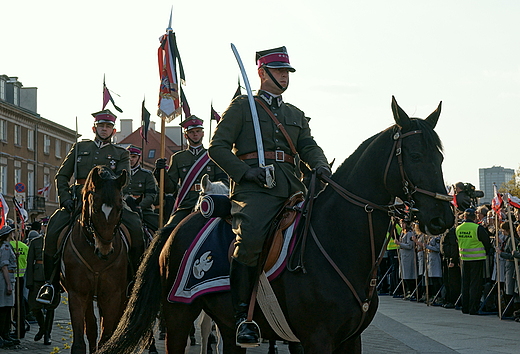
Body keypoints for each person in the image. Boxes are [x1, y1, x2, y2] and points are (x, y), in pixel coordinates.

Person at [208, 46, 330, 346]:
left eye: (286, 72)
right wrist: (246, 173)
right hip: (255, 190)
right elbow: (218, 147)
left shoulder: (294, 114)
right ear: (262, 73)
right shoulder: (242, 107)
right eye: (278, 71)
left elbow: (308, 147)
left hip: (292, 186)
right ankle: (242, 319)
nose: (284, 77)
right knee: (249, 236)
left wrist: (321, 165)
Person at [38, 109, 144, 304]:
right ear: (94, 128)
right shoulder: (79, 148)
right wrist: (65, 198)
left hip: (109, 201)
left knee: (136, 227)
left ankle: (134, 281)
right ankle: (50, 284)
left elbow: (125, 180)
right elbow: (61, 176)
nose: (104, 129)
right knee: (53, 229)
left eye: (108, 127)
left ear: (113, 130)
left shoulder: (121, 153)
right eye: (101, 126)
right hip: (79, 201)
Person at [155, 116, 228, 230]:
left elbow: (224, 182)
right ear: (186, 135)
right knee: (168, 230)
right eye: (192, 132)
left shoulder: (213, 155)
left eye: (198, 131)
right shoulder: (178, 158)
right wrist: (160, 172)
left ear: (203, 133)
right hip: (187, 202)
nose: (195, 134)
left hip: (212, 200)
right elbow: (170, 188)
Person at [26, 222, 59, 345]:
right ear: (42, 228)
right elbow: (30, 263)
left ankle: (47, 334)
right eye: (44, 226)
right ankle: (42, 327)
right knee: (34, 306)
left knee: (51, 307)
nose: (46, 229)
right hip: (37, 277)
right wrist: (29, 281)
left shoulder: (56, 241)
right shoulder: (35, 242)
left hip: (51, 277)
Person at [456, 208, 492, 315]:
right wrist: (487, 251)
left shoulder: (458, 228)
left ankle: (465, 307)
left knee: (465, 284)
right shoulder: (477, 228)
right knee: (475, 284)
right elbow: (487, 242)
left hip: (464, 258)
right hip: (477, 258)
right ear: (474, 217)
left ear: (465, 217)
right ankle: (473, 308)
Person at [123, 146, 159, 231]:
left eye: (134, 157)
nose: (131, 159)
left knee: (160, 228)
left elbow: (151, 196)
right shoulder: (120, 174)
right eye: (128, 157)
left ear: (140, 158)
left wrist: (139, 206)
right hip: (123, 208)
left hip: (143, 210)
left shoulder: (147, 175)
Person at [0, 226, 20, 347]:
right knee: (4, 308)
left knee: (8, 308)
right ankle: (2, 335)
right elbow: (4, 267)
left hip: (8, 278)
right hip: (5, 279)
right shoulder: (6, 247)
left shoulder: (8, 247)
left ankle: (6, 334)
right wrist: (8, 284)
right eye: (12, 232)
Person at [9, 229, 28, 339]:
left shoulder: (8, 246)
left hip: (11, 277)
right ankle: (21, 327)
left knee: (10, 305)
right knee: (20, 304)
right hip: (21, 277)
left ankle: (10, 327)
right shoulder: (24, 246)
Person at [440, 226, 461, 309]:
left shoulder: (451, 231)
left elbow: (453, 246)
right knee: (447, 281)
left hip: (450, 259)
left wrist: (453, 260)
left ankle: (453, 300)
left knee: (453, 282)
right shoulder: (445, 230)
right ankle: (448, 299)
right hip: (446, 258)